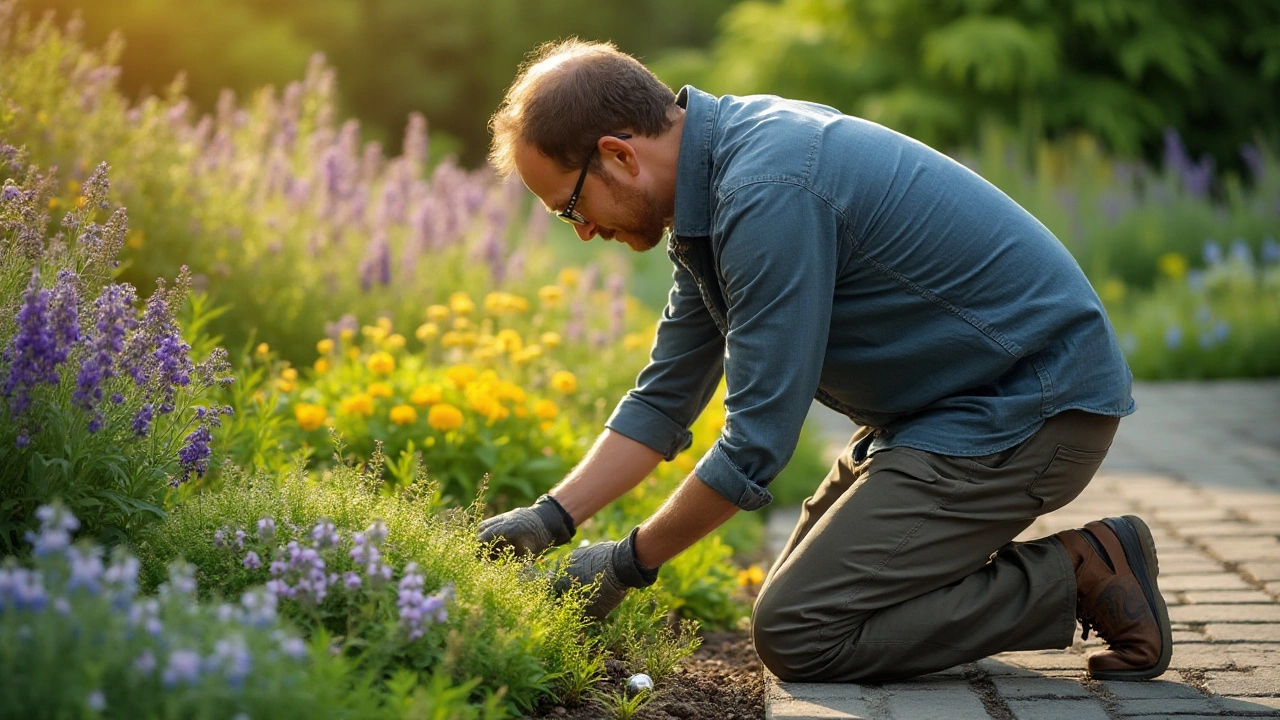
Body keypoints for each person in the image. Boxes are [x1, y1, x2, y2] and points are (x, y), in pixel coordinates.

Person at [479, 38, 1171, 684]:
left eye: (571, 206)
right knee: (816, 599)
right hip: (946, 415)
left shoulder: (765, 190)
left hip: (1030, 409)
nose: (585, 229)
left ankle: (1081, 570)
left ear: (620, 155)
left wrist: (625, 564)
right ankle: (974, 563)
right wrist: (548, 520)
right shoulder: (714, 185)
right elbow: (664, 399)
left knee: (799, 630)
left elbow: (756, 444)